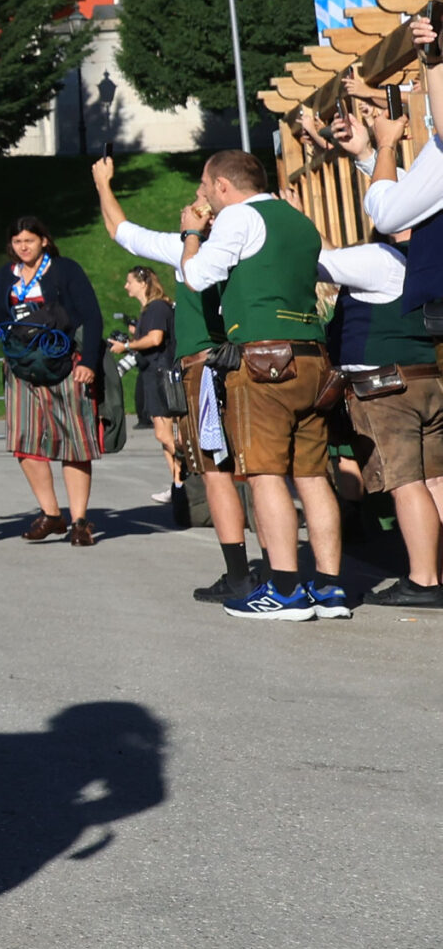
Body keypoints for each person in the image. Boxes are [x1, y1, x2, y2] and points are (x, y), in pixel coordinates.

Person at [171, 152, 344, 620]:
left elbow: (197, 276)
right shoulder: (299, 220)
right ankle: (329, 587)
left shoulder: (239, 217)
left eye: (206, 187)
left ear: (224, 186)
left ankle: (284, 590)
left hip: (265, 360)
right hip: (313, 354)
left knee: (266, 472)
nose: (204, 195)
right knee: (311, 476)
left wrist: (190, 237)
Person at [93, 155, 254, 599]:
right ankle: (297, 575)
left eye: (200, 190)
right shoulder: (261, 228)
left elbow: (123, 233)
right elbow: (123, 234)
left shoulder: (198, 245)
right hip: (256, 355)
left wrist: (104, 185)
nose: (195, 196)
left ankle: (240, 572)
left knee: (219, 469)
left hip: (209, 363)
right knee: (269, 468)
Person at [328, 62, 443, 608]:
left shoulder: (375, 257)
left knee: (406, 483)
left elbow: (319, 260)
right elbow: (400, 203)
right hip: (425, 375)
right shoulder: (415, 256)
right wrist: (369, 155)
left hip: (385, 384)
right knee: (438, 480)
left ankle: (423, 579)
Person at [0, 218, 105, 546]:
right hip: (22, 367)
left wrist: (90, 363)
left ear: (43, 241)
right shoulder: (5, 275)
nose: (23, 247)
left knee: (74, 442)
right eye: (17, 241)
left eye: (29, 240)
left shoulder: (65, 269)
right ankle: (52, 514)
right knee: (24, 440)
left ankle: (80, 521)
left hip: (65, 362)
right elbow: (1, 316)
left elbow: (92, 316)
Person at [117, 268, 182, 500]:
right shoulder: (151, 309)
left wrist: (126, 347)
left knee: (165, 434)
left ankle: (192, 475)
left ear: (143, 283)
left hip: (160, 374)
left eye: (129, 281)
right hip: (154, 373)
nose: (126, 286)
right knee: (165, 435)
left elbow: (155, 339)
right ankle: (178, 484)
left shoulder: (156, 308)